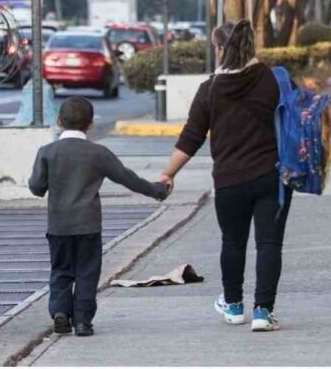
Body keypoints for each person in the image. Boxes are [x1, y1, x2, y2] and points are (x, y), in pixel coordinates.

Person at [159, 19, 294, 332]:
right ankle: (263, 312)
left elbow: (191, 138)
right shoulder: (273, 80)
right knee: (269, 244)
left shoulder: (210, 89)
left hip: (229, 181)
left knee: (233, 242)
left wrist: (168, 174)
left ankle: (233, 305)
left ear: (221, 49)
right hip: (272, 177)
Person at [29, 97, 170, 337]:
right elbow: (128, 178)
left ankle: (60, 313)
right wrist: (158, 190)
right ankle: (83, 321)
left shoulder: (47, 152)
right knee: (87, 272)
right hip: (88, 225)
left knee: (61, 269)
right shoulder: (98, 153)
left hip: (59, 226)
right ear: (91, 124)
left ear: (59, 121)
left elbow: (36, 187)